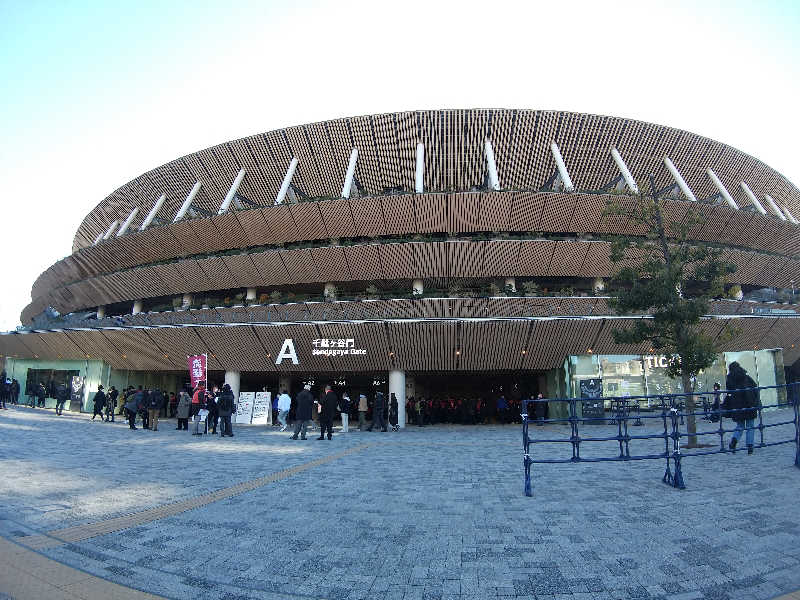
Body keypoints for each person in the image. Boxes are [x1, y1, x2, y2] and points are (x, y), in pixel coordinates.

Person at [725, 361, 760, 454]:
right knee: (750, 426)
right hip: (749, 404)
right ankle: (750, 447)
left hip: (737, 406)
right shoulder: (746, 377)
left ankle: (733, 442)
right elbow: (755, 388)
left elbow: (729, 392)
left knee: (740, 426)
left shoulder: (729, 379)